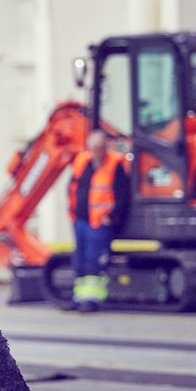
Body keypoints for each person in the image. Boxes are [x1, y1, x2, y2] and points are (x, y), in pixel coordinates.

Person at [65, 129, 130, 312]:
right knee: (80, 261)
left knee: (94, 262)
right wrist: (72, 214)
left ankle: (92, 299)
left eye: (100, 147)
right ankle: (79, 297)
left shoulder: (115, 164)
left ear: (105, 147)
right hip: (81, 221)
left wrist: (112, 218)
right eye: (94, 147)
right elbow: (72, 188)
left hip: (99, 223)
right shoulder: (81, 161)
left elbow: (122, 195)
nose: (97, 151)